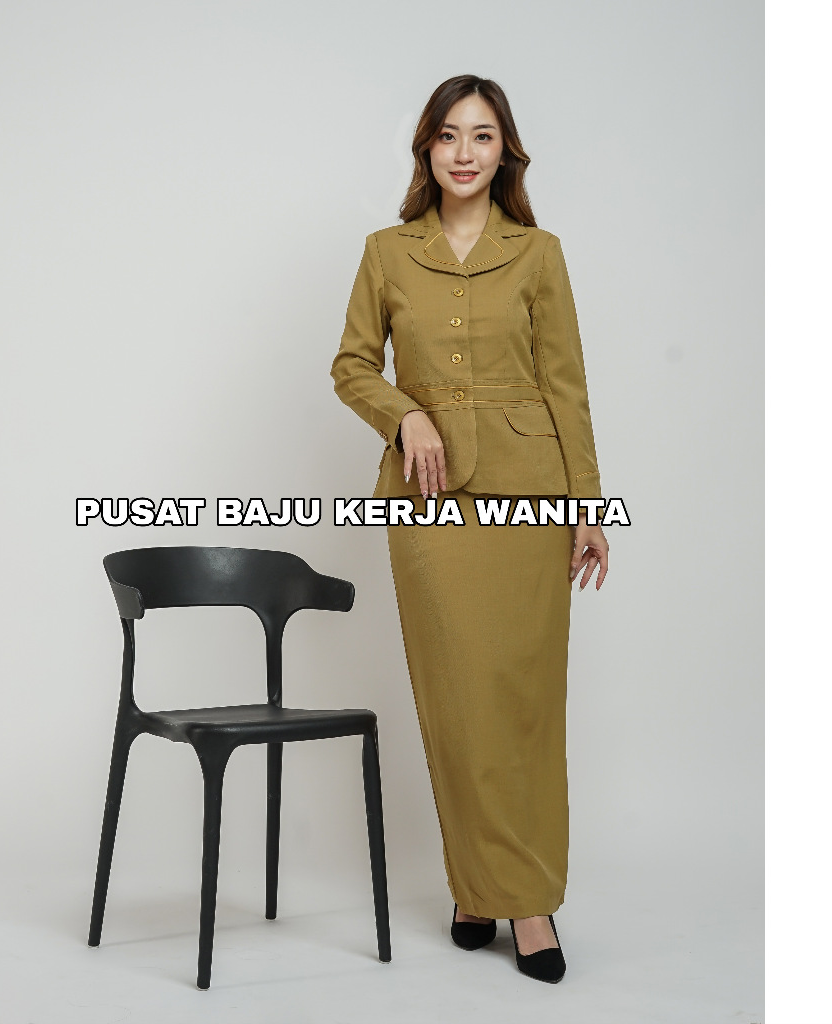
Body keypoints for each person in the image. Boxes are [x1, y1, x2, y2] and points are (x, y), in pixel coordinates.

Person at [329, 74, 609, 984]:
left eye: (482, 136)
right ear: (427, 147)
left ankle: (526, 902)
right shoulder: (386, 252)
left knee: (523, 701)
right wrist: (405, 415)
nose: (463, 152)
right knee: (456, 700)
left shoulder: (539, 253)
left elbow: (566, 386)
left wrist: (587, 507)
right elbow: (351, 365)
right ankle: (474, 884)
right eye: (448, 134)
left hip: (531, 498)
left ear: (504, 152)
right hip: (428, 500)